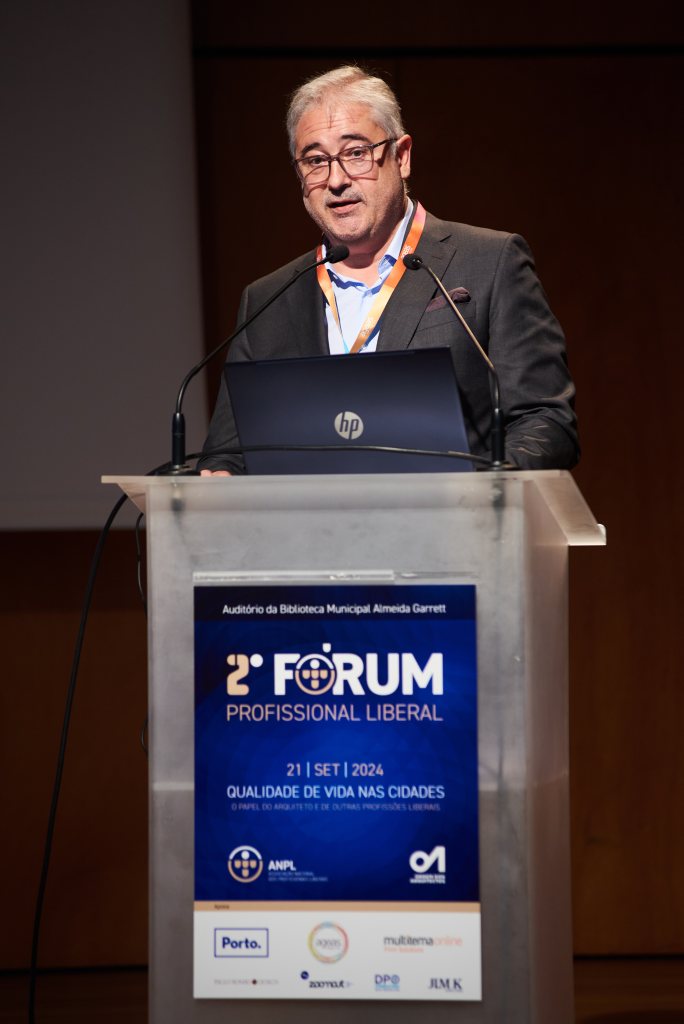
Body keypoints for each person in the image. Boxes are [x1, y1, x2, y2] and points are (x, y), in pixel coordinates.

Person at [198, 65, 578, 475]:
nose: (336, 180)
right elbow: (227, 453)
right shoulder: (266, 301)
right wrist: (221, 476)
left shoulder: (489, 262)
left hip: (455, 514)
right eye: (316, 160)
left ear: (402, 156)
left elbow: (545, 420)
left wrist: (480, 486)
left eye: (356, 153)